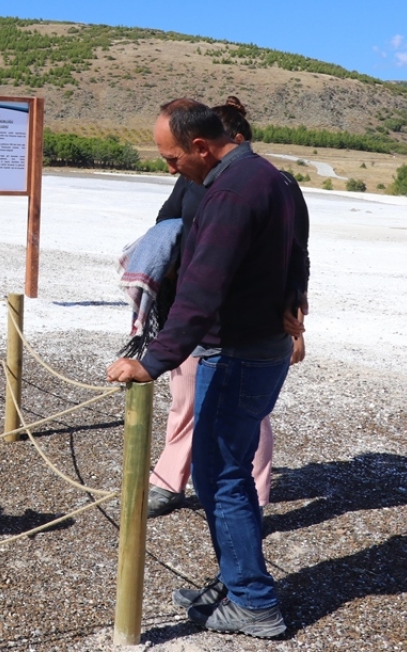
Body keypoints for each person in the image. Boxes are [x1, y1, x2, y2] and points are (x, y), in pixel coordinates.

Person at [107, 99, 306, 639]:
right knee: (224, 471)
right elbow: (294, 253)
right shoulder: (264, 175)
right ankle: (237, 582)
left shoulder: (233, 192)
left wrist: (151, 361)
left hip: (238, 352)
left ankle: (254, 603)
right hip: (253, 346)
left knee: (222, 476)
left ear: (200, 146)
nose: (170, 168)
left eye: (172, 158)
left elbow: (201, 288)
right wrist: (294, 296)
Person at [142, 97, 310, 518]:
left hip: (241, 327)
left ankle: (251, 499)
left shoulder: (273, 183)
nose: (173, 167)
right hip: (189, 314)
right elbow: (165, 225)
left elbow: (296, 251)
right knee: (184, 401)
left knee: (246, 420)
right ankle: (170, 481)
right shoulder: (192, 179)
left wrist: (295, 306)